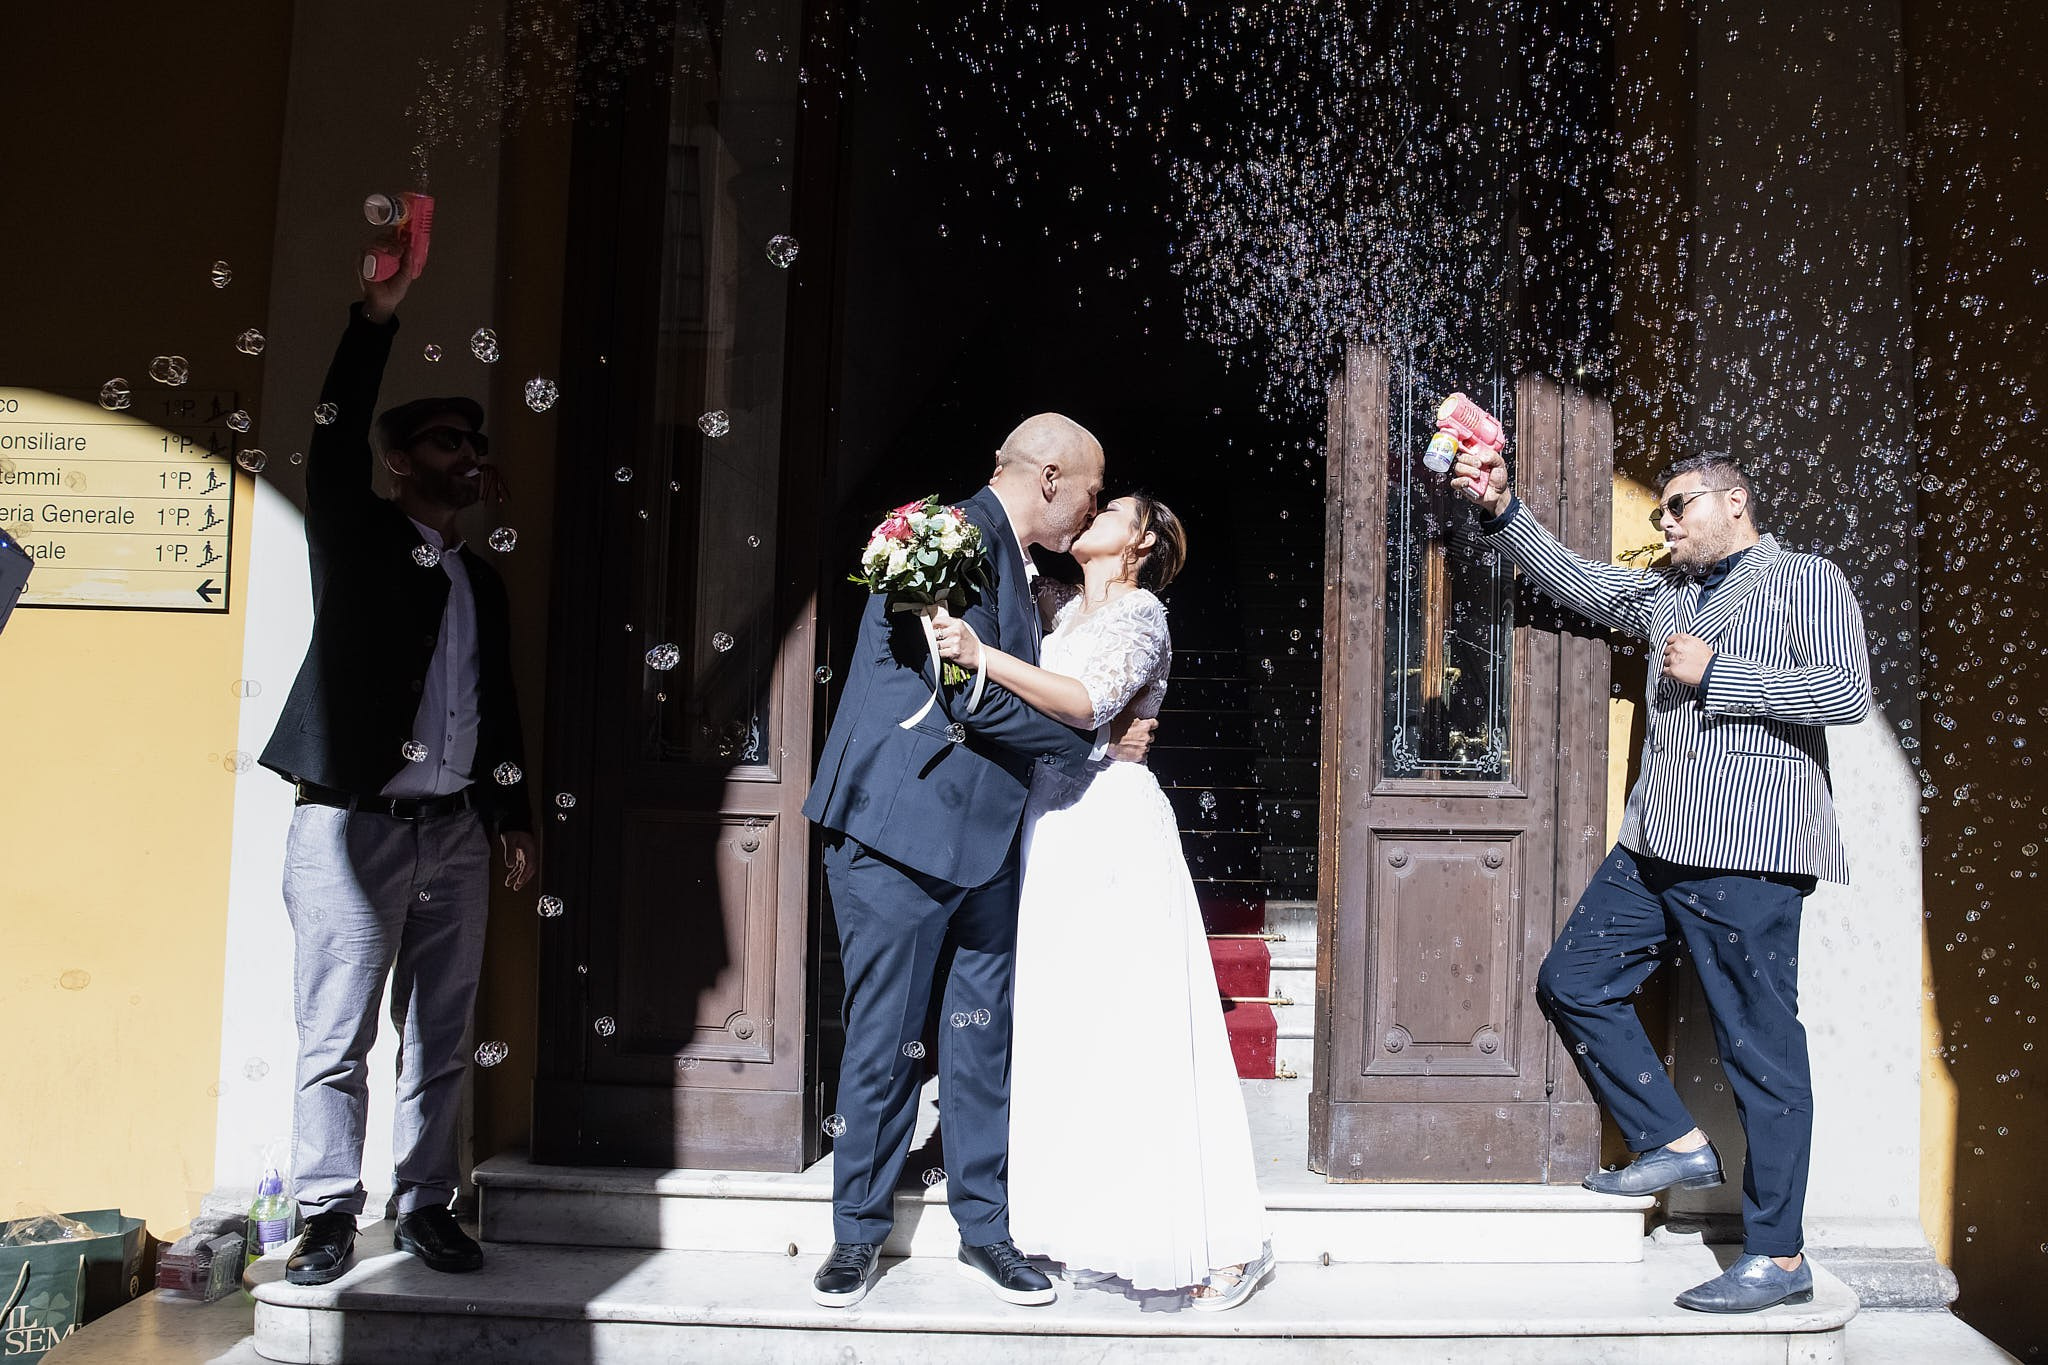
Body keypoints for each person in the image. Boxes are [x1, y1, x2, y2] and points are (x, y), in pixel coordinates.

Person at [1450, 442, 1870, 1313]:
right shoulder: (1668, 589)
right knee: (1574, 978)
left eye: (1679, 506)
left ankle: (1779, 1257)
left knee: (1761, 1052)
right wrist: (1500, 506)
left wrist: (1724, 674)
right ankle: (1672, 1138)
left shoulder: (1806, 578)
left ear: (1736, 503)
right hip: (1657, 841)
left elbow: (1845, 692)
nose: (1666, 522)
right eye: (1663, 512)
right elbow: (1577, 581)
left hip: (1753, 846)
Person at [799, 416, 1154, 1309]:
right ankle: (856, 1236)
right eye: (1088, 487)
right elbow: (961, 690)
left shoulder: (1025, 570)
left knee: (977, 1039)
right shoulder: (941, 537)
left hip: (986, 845)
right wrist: (1087, 748)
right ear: (1045, 477)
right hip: (899, 838)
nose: (1091, 506)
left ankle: (985, 1231)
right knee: (883, 1039)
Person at [258, 236, 538, 1287]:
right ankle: (328, 1211)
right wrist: (372, 319)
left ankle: (427, 1204)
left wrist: (510, 814)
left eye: (472, 437)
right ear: (397, 463)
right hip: (350, 827)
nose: (466, 450)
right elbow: (327, 439)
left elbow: (497, 709)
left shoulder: (481, 582)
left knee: (443, 1037)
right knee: (334, 1037)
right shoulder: (358, 535)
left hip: (453, 833)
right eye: (441, 439)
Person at [932, 494, 1273, 1311]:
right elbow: (1058, 706)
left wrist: (980, 655)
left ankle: (1217, 1235)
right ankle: (1077, 1220)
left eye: (1111, 506)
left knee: (1135, 1022)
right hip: (1049, 828)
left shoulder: (1144, 610)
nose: (1090, 510)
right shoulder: (1056, 609)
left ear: (1143, 540)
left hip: (1113, 824)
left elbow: (1084, 699)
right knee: (1067, 1022)